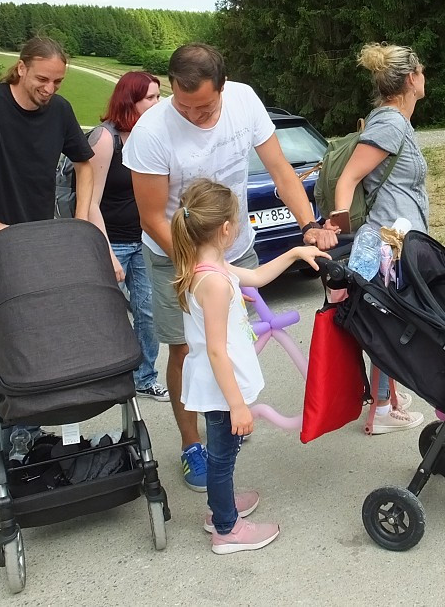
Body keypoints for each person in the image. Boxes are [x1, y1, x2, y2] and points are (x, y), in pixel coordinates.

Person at [123, 43, 338, 492]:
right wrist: (200, 265)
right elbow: (152, 216)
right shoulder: (151, 132)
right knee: (187, 349)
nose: (195, 116)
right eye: (184, 106)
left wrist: (309, 226)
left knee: (231, 342)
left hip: (233, 246)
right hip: (174, 258)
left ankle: (227, 417)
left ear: (223, 87)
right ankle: (190, 445)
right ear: (171, 89)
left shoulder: (244, 100)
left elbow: (280, 169)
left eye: (204, 107)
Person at [0, 36, 94, 451]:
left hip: (35, 250)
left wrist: (80, 221)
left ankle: (28, 436)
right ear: (21, 68)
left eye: (58, 82)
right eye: (43, 79)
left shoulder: (59, 111)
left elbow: (85, 163)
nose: (50, 89)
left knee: (37, 345)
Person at [169, 178, 327, 553]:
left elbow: (256, 277)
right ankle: (227, 529)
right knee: (222, 457)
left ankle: (220, 507)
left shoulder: (209, 266)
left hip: (220, 385)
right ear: (226, 229)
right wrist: (237, 404)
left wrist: (294, 253)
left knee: (226, 452)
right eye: (237, 221)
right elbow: (216, 351)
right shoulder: (215, 283)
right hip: (223, 387)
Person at [330, 42, 427, 435]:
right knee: (391, 322)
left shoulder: (393, 120)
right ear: (410, 79)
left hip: (398, 237)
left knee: (389, 318)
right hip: (389, 241)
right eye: (422, 72)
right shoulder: (389, 123)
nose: (425, 78)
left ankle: (387, 394)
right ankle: (383, 408)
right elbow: (348, 177)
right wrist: (338, 231)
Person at [86, 71, 168, 402]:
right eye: (151, 97)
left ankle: (144, 376)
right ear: (129, 101)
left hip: (145, 241)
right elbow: (89, 201)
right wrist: (105, 252)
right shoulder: (106, 139)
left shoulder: (153, 136)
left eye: (159, 96)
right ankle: (101, 380)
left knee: (149, 313)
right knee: (105, 315)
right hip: (112, 242)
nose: (158, 103)